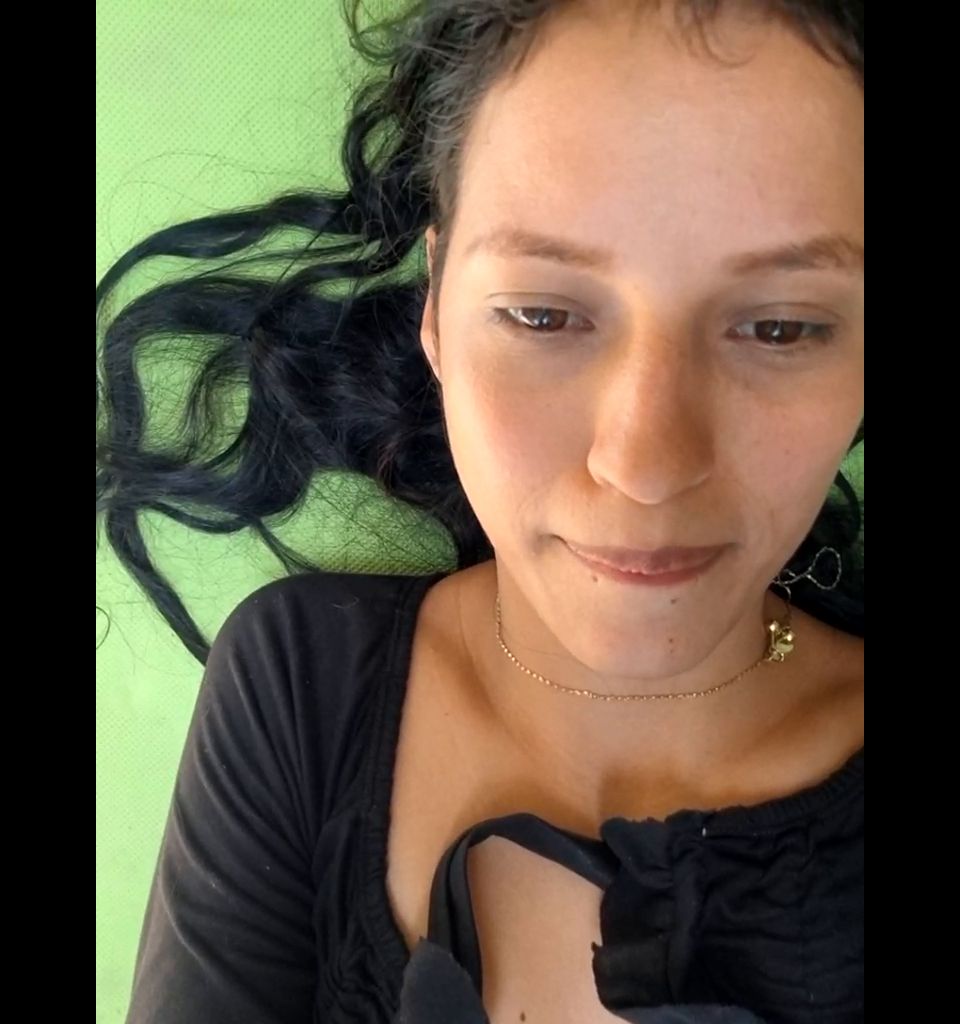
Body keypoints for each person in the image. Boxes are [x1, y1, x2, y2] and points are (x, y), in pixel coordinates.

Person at [97, 0, 864, 1020]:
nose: (645, 467)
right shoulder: (299, 688)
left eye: (781, 328)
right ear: (437, 314)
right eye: (542, 314)